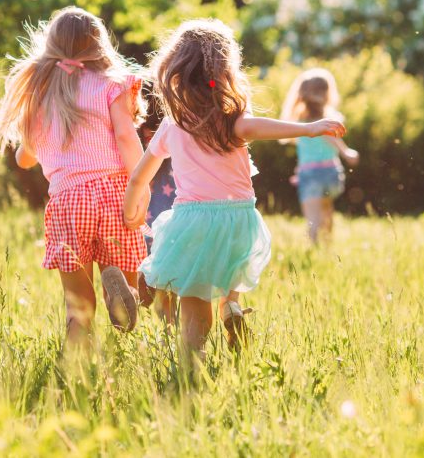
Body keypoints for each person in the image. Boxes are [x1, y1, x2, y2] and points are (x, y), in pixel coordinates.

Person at [123, 19, 345, 355]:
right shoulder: (231, 119)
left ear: (177, 71)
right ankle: (232, 307)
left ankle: (190, 358)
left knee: (195, 296)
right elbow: (261, 127)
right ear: (225, 69)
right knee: (231, 274)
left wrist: (131, 211)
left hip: (192, 219)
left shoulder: (173, 124)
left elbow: (140, 175)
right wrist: (309, 128)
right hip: (239, 218)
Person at [0, 7, 148, 350]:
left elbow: (25, 156)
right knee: (123, 271)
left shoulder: (41, 93)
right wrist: (140, 183)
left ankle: (76, 365)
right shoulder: (111, 84)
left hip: (68, 202)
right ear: (99, 45)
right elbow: (124, 136)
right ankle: (120, 294)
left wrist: (33, 151)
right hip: (114, 193)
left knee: (78, 307)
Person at [280, 68, 359, 244]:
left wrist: (344, 151)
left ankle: (314, 251)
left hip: (310, 174)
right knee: (327, 210)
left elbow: (325, 137)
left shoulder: (300, 121)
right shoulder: (330, 118)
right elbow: (330, 138)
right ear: (327, 93)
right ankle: (328, 246)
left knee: (313, 218)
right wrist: (346, 152)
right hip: (331, 172)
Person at [137, 97, 178, 324]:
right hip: (172, 224)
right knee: (169, 294)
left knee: (148, 288)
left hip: (144, 223)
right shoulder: (178, 127)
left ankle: (137, 297)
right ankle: (170, 336)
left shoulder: (139, 132)